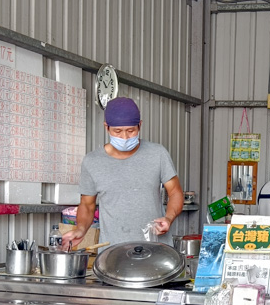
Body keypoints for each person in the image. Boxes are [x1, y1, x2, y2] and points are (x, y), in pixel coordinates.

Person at [63, 97, 183, 247]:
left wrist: (169, 218)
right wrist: (80, 229)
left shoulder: (157, 154)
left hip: (155, 250)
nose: (125, 137)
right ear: (106, 127)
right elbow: (87, 205)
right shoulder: (92, 162)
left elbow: (175, 193)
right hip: (113, 254)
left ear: (140, 125)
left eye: (131, 131)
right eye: (118, 131)